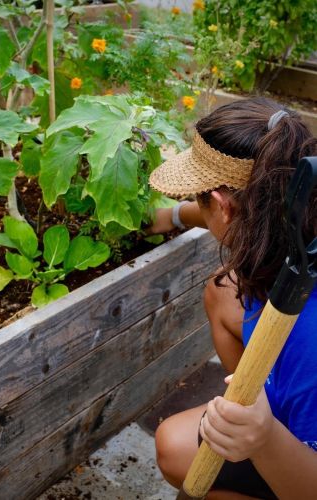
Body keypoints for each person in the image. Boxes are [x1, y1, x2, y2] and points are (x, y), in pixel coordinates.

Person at [147, 97, 317, 499]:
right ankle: (258, 405)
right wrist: (171, 217)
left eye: (199, 200)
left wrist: (266, 441)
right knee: (223, 290)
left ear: (222, 206)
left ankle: (265, 435)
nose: (197, 208)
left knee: (184, 462)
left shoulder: (309, 343)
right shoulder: (300, 199)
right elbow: (239, 206)